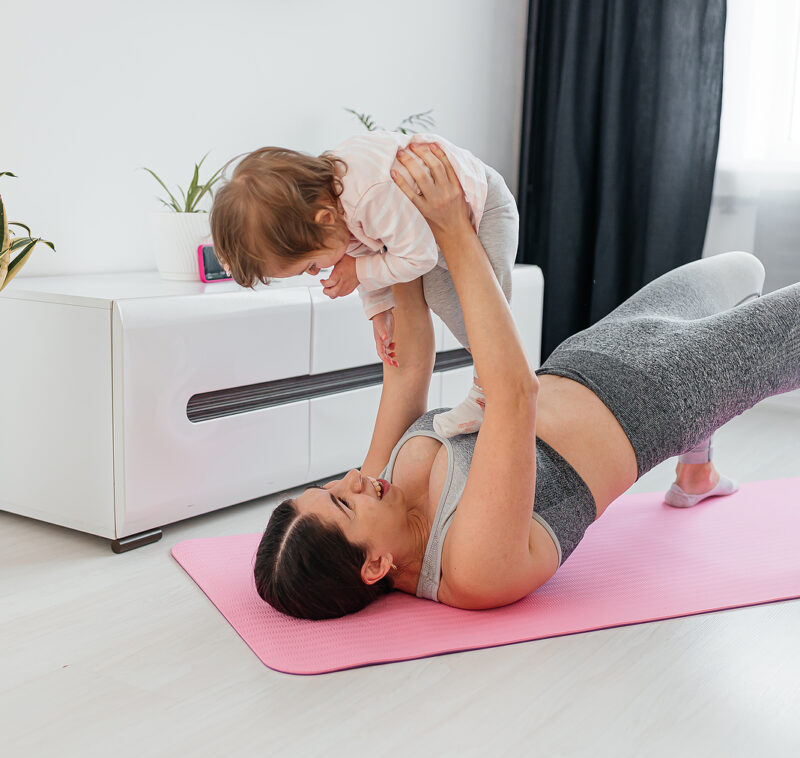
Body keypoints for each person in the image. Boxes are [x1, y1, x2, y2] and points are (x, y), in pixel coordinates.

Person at [252, 141, 800, 621]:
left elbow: (407, 370)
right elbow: (514, 393)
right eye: (342, 504)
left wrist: (382, 244)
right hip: (666, 391)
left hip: (591, 352)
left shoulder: (376, 490)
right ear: (375, 566)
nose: (350, 479)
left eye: (327, 488)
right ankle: (697, 443)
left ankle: (697, 473)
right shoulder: (474, 567)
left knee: (742, 268)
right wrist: (450, 226)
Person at [209, 130, 518, 438]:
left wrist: (358, 271)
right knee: (442, 299)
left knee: (488, 306)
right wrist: (379, 308)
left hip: (483, 207)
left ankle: (492, 388)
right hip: (434, 234)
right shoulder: (336, 208)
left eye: (311, 265)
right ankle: (488, 384)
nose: (317, 273)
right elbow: (370, 248)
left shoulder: (368, 195)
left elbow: (417, 258)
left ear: (324, 220)